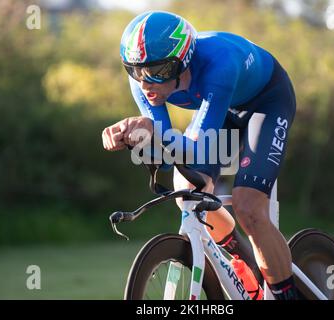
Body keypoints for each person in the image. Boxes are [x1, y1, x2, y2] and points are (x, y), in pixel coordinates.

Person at [102, 11, 297, 300]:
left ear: (183, 62)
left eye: (157, 71)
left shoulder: (219, 65)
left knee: (248, 207)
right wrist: (140, 136)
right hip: (223, 108)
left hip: (267, 102)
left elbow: (196, 146)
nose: (145, 83)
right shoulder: (144, 82)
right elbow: (169, 157)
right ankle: (245, 265)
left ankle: (287, 295)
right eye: (135, 70)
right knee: (188, 192)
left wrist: (153, 132)